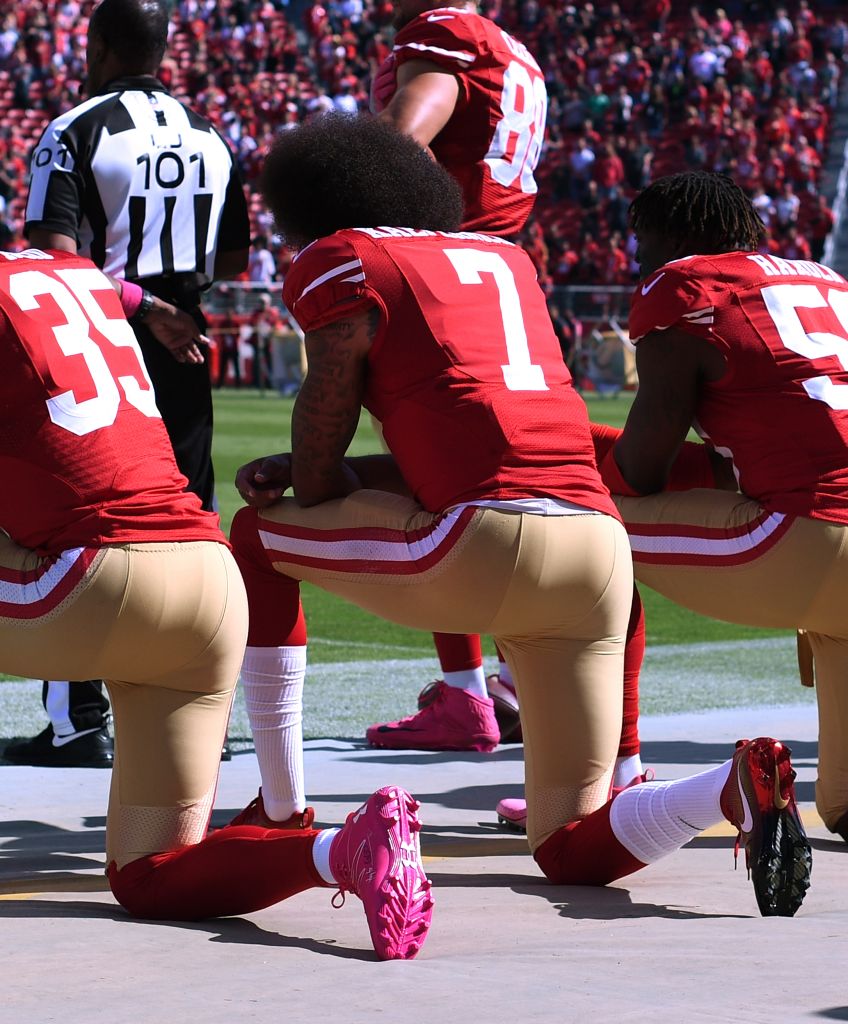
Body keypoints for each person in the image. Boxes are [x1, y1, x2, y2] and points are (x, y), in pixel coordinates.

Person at [229, 113, 809, 917]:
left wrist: (314, 473)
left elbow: (323, 473)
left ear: (310, 202)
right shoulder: (507, 257)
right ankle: (726, 786)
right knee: (568, 846)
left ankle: (283, 807)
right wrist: (361, 471)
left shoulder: (347, 259)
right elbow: (480, 438)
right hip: (596, 549)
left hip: (485, 541)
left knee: (257, 537)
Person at [0, 244, 433, 962]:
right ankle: (342, 851)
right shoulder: (70, 274)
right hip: (205, 583)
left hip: (93, 581)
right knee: (150, 876)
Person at [12, 0, 250, 768]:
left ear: (98, 45)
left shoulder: (74, 128)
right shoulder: (214, 138)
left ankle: (80, 720)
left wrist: (143, 305)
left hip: (101, 352)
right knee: (187, 523)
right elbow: (235, 259)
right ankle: (184, 709)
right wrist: (177, 306)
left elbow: (55, 260)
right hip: (187, 355)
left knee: (77, 522)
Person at [591, 169, 848, 845]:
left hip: (811, 535)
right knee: (847, 808)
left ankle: (612, 775)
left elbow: (642, 468)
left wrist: (578, 456)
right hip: (829, 540)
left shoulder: (684, 287)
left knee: (575, 530)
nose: (636, 258)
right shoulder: (823, 278)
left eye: (642, 239)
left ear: (677, 236)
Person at [368, 0, 555, 749]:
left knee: (434, 483)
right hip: (502, 272)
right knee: (508, 484)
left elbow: (402, 141)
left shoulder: (447, 35)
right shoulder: (516, 51)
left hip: (444, 273)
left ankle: (467, 693)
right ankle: (521, 677)